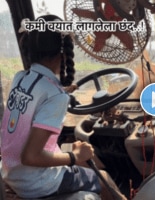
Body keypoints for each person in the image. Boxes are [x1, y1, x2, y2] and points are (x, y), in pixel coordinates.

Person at [0, 14, 101, 199]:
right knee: (103, 180)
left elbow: (38, 96)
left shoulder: (21, 77)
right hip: (37, 182)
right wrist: (75, 156)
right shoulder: (55, 95)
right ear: (63, 53)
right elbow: (30, 156)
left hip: (12, 174)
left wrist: (62, 91)